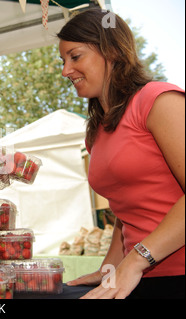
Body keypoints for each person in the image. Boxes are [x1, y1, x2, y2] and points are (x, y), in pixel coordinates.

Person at [58, 8, 185, 299]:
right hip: (138, 276)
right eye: (62, 60)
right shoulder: (96, 131)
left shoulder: (159, 100)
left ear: (112, 52)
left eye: (75, 56)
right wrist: (110, 268)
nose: (65, 70)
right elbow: (125, 210)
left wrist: (137, 261)